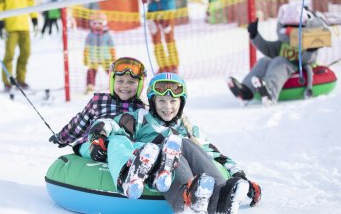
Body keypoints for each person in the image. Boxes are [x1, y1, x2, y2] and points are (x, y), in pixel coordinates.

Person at [85, 73, 261, 213]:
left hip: (185, 156)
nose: (167, 107)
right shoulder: (139, 120)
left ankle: (223, 198)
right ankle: (186, 199)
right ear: (152, 103)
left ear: (181, 102)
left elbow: (214, 154)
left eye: (173, 101)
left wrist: (239, 174)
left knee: (184, 143)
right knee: (172, 147)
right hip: (158, 169)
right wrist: (98, 132)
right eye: (161, 101)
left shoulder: (187, 129)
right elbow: (111, 124)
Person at [227, 3, 326, 106]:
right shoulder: (282, 43)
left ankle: (270, 94)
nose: (289, 30)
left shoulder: (306, 43)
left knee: (279, 61)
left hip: (298, 68)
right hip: (281, 66)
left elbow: (308, 60)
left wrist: (310, 49)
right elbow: (268, 49)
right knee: (264, 61)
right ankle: (246, 91)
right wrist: (255, 35)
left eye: (295, 27)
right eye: (287, 26)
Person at [49, 57, 146, 151]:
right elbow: (80, 123)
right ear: (112, 82)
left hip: (123, 150)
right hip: (93, 145)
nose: (125, 86)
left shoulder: (141, 110)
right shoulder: (99, 101)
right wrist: (62, 137)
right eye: (120, 81)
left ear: (140, 85)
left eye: (131, 82)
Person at [0, 0, 38, 91]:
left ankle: (20, 80)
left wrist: (34, 19)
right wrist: (1, 26)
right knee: (9, 55)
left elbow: (31, 3)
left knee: (26, 53)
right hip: (10, 28)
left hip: (24, 26)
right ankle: (7, 82)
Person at [148, 0, 182, 74]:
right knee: (156, 41)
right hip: (152, 11)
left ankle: (173, 66)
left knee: (169, 39)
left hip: (167, 11)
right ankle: (162, 67)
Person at [83, 12, 116, 94]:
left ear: (104, 23)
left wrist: (113, 56)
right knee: (91, 71)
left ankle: (114, 83)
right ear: (91, 24)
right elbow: (86, 47)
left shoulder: (107, 34)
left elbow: (111, 46)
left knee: (110, 71)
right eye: (94, 23)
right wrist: (85, 57)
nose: (97, 25)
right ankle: (90, 85)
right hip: (93, 58)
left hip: (105, 57)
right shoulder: (90, 35)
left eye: (100, 23)